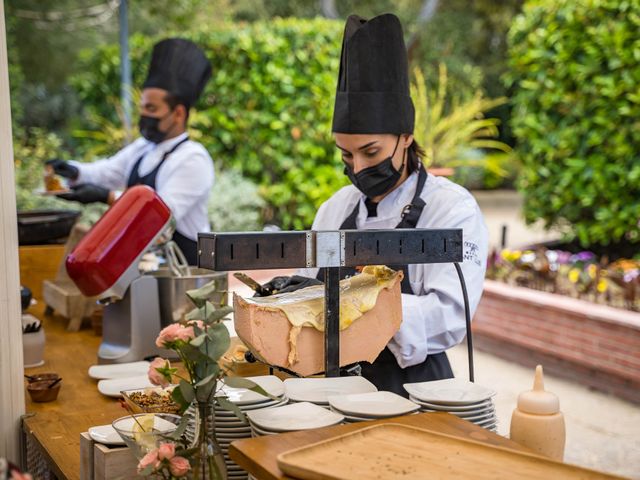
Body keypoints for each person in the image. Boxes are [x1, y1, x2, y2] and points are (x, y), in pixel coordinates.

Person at [294, 13, 489, 396]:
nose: (359, 168)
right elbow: (307, 297)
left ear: (405, 136)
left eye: (370, 151)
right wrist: (291, 295)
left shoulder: (450, 208)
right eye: (346, 155)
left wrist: (355, 310)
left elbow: (450, 314)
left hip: (414, 386)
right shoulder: (334, 209)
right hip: (330, 384)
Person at [48, 38, 214, 265]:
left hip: (185, 272)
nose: (144, 115)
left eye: (152, 108)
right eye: (142, 107)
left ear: (178, 113)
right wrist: (73, 171)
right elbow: (106, 172)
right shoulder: (143, 148)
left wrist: (105, 196)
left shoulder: (194, 159)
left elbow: (162, 215)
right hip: (144, 266)